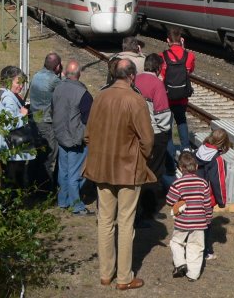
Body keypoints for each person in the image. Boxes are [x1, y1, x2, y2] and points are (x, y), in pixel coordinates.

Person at [83, 59, 155, 291]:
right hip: (128, 170)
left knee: (105, 220)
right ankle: (124, 277)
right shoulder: (136, 101)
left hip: (101, 167)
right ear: (132, 76)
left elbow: (88, 135)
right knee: (125, 222)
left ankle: (106, 273)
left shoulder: (100, 97)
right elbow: (148, 140)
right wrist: (141, 158)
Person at [51, 59, 94, 215]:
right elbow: (89, 119)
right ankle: (76, 205)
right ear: (79, 74)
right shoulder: (83, 94)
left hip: (61, 136)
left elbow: (53, 109)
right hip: (76, 139)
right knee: (75, 174)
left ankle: (63, 200)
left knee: (63, 171)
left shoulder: (57, 89)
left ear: (66, 73)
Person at [134, 52, 173, 214]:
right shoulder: (157, 85)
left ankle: (135, 204)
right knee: (154, 172)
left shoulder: (134, 80)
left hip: (136, 133)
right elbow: (162, 114)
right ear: (158, 68)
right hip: (155, 134)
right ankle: (149, 209)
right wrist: (165, 131)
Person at [165, 151, 213, 282]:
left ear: (180, 168)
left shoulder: (177, 184)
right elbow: (207, 204)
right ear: (196, 167)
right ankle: (193, 274)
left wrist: (179, 202)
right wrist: (208, 218)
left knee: (176, 242)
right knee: (196, 246)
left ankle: (180, 263)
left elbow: (169, 200)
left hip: (183, 221)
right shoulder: (203, 183)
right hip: (199, 221)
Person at [0, 66, 34, 188]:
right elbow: (9, 123)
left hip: (5, 145)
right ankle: (9, 204)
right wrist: (22, 115)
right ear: (9, 81)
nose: (21, 86)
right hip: (10, 146)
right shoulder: (9, 99)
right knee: (12, 178)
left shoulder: (6, 95)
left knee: (8, 177)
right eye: (18, 82)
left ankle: (6, 203)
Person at [195, 128, 230, 260]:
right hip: (206, 197)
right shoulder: (217, 159)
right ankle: (206, 251)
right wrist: (221, 201)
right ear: (223, 143)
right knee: (206, 225)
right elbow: (218, 182)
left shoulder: (198, 151)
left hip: (192, 192)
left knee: (192, 221)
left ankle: (190, 245)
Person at [29, 52, 62, 190]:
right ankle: (45, 188)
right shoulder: (54, 80)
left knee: (37, 155)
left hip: (35, 118)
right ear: (58, 66)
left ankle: (32, 183)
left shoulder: (36, 76)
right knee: (49, 156)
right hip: (47, 121)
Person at [161, 26, 196, 158]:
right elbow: (190, 70)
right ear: (181, 40)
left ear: (167, 40)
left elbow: (162, 75)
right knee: (181, 120)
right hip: (182, 97)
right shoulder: (190, 56)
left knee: (167, 123)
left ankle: (170, 152)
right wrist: (183, 48)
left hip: (167, 96)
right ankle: (186, 148)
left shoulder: (162, 56)